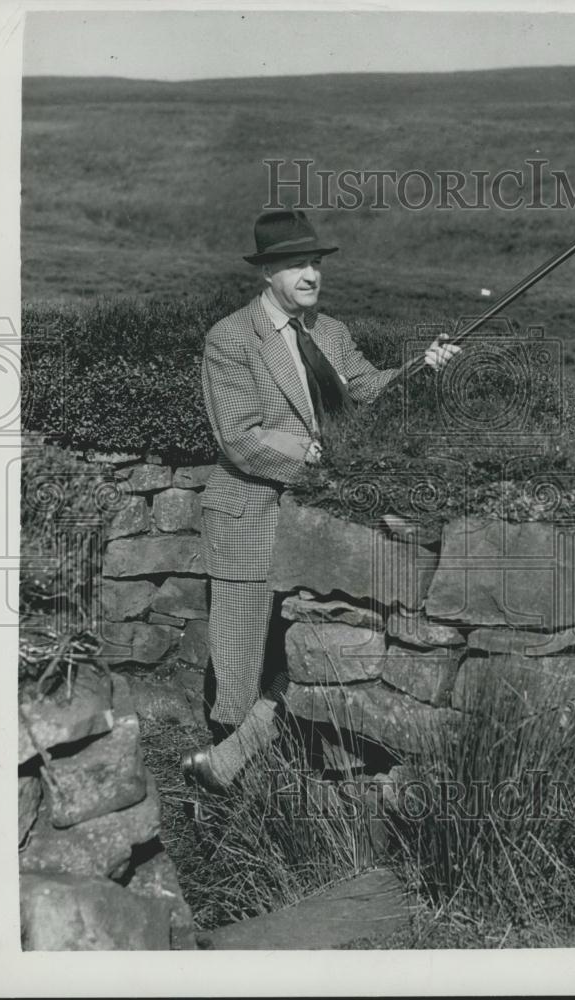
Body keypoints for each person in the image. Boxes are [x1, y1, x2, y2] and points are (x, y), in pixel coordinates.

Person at [181, 208, 459, 794]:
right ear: (267, 273)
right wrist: (314, 456)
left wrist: (421, 366)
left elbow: (365, 389)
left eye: (316, 262)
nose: (311, 273)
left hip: (313, 521)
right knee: (239, 662)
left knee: (312, 646)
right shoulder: (230, 339)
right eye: (296, 263)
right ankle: (226, 802)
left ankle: (236, 768)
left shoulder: (330, 333)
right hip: (250, 515)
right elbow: (239, 437)